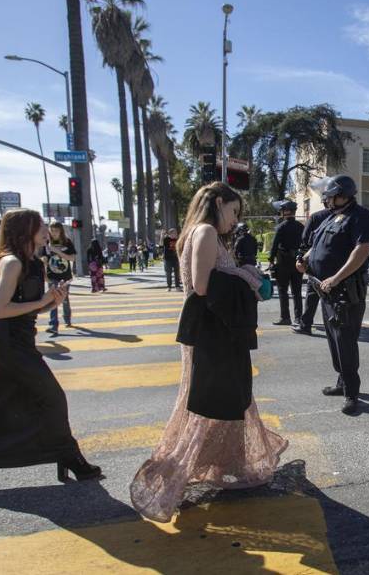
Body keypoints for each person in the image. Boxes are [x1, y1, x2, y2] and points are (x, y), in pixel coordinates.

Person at [129, 182, 286, 523]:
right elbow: (202, 285)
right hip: (211, 335)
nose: (235, 219)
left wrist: (242, 274)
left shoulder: (204, 233)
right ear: (217, 203)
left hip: (215, 332)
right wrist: (246, 275)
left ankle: (231, 463)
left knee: (227, 398)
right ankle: (173, 471)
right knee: (206, 403)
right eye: (233, 211)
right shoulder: (205, 232)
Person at [0, 209, 101, 491]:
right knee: (52, 399)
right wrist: (43, 301)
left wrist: (53, 302)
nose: (46, 231)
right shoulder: (12, 262)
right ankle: (71, 458)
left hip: (22, 338)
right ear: (25, 230)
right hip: (10, 342)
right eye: (39, 226)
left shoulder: (34, 262)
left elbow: (30, 307)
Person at [299, 175, 369, 415]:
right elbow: (318, 243)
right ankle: (342, 381)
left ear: (343, 194)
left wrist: (337, 277)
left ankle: (352, 394)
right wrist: (305, 259)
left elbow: (362, 250)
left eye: (331, 196)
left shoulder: (361, 217)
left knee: (345, 340)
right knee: (333, 339)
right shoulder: (332, 217)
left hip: (345, 290)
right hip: (326, 290)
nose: (327, 200)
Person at [292, 195, 333, 335]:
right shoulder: (345, 217)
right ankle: (334, 324)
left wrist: (301, 257)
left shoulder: (316, 217)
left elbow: (305, 240)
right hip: (337, 264)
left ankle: (306, 324)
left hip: (316, 261)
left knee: (312, 293)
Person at [269, 200, 304, 326]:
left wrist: (271, 260)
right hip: (297, 263)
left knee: (283, 291)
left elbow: (274, 246)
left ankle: (285, 317)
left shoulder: (280, 227)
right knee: (297, 292)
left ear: (284, 212)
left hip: (283, 263)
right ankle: (298, 318)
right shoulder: (301, 227)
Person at [40, 222, 76, 335]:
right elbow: (43, 257)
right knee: (53, 299)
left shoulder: (67, 242)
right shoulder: (46, 243)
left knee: (64, 298)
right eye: (52, 230)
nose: (54, 233)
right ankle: (53, 324)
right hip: (52, 275)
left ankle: (67, 317)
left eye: (56, 230)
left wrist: (58, 251)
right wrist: (44, 263)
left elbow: (73, 258)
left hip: (65, 275)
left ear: (61, 231)